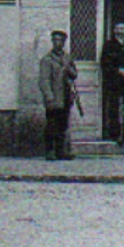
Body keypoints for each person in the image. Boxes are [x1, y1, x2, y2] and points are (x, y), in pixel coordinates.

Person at [37, 29, 81, 160]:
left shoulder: (67, 58)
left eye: (60, 40)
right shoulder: (47, 59)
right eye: (55, 40)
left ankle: (60, 151)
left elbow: (74, 75)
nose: (58, 43)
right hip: (54, 96)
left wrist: (68, 68)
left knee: (63, 124)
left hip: (65, 96)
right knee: (52, 125)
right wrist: (49, 97)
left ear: (64, 42)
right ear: (52, 42)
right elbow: (44, 81)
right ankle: (50, 151)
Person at [99, 22, 124, 146]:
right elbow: (105, 63)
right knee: (114, 106)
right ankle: (114, 134)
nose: (120, 30)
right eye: (117, 28)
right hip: (114, 81)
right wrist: (117, 70)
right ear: (114, 30)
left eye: (122, 28)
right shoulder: (109, 45)